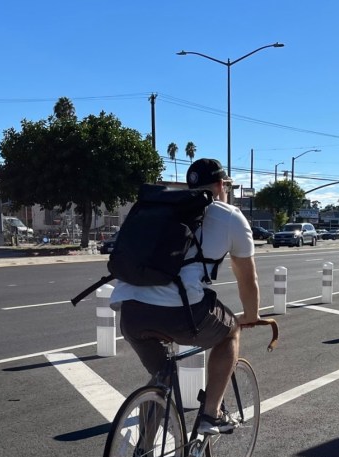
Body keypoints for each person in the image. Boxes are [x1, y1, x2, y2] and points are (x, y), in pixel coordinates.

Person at [110, 158, 260, 435]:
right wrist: (251, 315)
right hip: (181, 314)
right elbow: (247, 279)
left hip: (130, 311)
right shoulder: (229, 216)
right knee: (230, 333)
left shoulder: (157, 209)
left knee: (160, 380)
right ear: (220, 185)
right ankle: (211, 414)